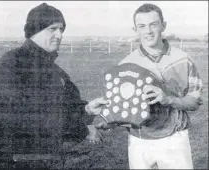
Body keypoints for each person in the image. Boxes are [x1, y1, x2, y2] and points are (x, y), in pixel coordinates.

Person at [0, 3, 103, 169]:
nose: (59, 35)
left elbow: (64, 108)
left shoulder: (56, 71)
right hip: (13, 161)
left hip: (44, 160)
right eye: (52, 29)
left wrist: (87, 109)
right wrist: (84, 128)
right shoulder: (14, 63)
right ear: (34, 30)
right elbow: (26, 119)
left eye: (61, 29)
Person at [85, 3, 203, 169]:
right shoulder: (126, 64)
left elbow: (195, 101)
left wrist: (168, 99)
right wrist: (109, 121)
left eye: (153, 24)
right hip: (139, 139)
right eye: (142, 26)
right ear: (135, 30)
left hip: (174, 138)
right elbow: (123, 107)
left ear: (163, 25)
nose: (148, 31)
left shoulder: (183, 59)